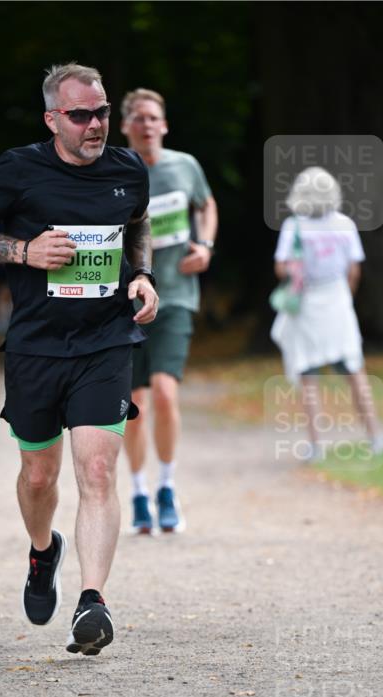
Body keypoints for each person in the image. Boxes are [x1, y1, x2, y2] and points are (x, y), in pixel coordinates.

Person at [0, 63, 158, 655]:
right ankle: (43, 551)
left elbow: (138, 225)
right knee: (40, 475)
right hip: (36, 347)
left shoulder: (127, 168)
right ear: (52, 119)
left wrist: (141, 276)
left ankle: (93, 602)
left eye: (103, 113)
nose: (96, 125)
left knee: (96, 470)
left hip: (106, 342)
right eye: (82, 115)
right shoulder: (18, 169)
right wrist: (23, 249)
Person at [120, 88, 218, 533]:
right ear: (125, 127)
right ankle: (138, 491)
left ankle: (167, 486)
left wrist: (205, 245)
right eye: (138, 118)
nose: (146, 125)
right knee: (135, 403)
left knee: (164, 391)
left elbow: (207, 204)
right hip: (125, 302)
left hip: (176, 294)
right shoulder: (114, 171)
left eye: (153, 117)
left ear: (164, 124)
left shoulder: (186, 165)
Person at [270, 166, 383, 460]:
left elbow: (281, 267)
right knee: (355, 370)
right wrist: (345, 298)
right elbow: (354, 270)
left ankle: (316, 445)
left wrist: (296, 273)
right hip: (338, 300)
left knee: (308, 376)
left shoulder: (294, 226)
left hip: (307, 304)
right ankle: (376, 436)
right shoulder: (345, 224)